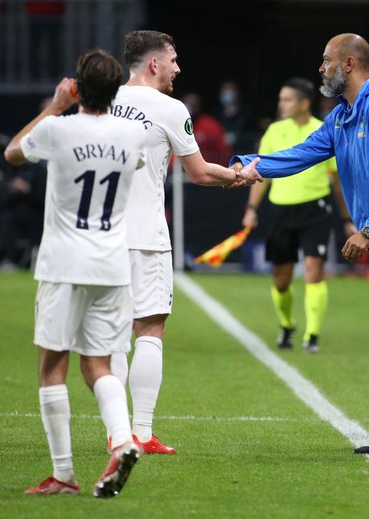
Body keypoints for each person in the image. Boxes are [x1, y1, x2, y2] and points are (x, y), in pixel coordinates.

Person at [231, 33, 369, 458]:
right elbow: (302, 153)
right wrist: (250, 165)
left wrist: (367, 230)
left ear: (349, 64)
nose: (321, 68)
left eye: (326, 60)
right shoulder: (342, 116)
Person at [109, 30, 261, 456]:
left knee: (114, 335)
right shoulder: (170, 109)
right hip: (146, 236)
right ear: (154, 64)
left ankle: (117, 433)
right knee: (150, 328)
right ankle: (140, 433)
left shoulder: (103, 100)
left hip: (103, 238)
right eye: (173, 60)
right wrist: (241, 175)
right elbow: (199, 172)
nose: (178, 68)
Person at [4, 49, 146, 497]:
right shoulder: (132, 134)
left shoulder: (57, 129)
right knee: (99, 363)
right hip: (111, 264)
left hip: (64, 263)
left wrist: (54, 104)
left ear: (77, 89)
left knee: (52, 368)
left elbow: (12, 154)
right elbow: (133, 163)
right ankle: (122, 440)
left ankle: (63, 475)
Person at [242, 77, 356, 353]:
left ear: (304, 103)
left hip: (315, 208)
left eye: (287, 99)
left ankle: (312, 335)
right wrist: (251, 209)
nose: (281, 105)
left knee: (315, 270)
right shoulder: (274, 131)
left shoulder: (324, 130)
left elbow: (336, 180)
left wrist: (347, 218)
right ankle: (287, 324)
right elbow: (261, 172)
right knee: (281, 278)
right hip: (280, 209)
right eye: (281, 99)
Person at [182, 92, 232, 165]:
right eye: (187, 105)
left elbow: (223, 150)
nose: (189, 108)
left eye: (193, 105)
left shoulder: (210, 126)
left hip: (210, 168)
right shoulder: (178, 124)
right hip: (184, 170)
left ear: (199, 107)